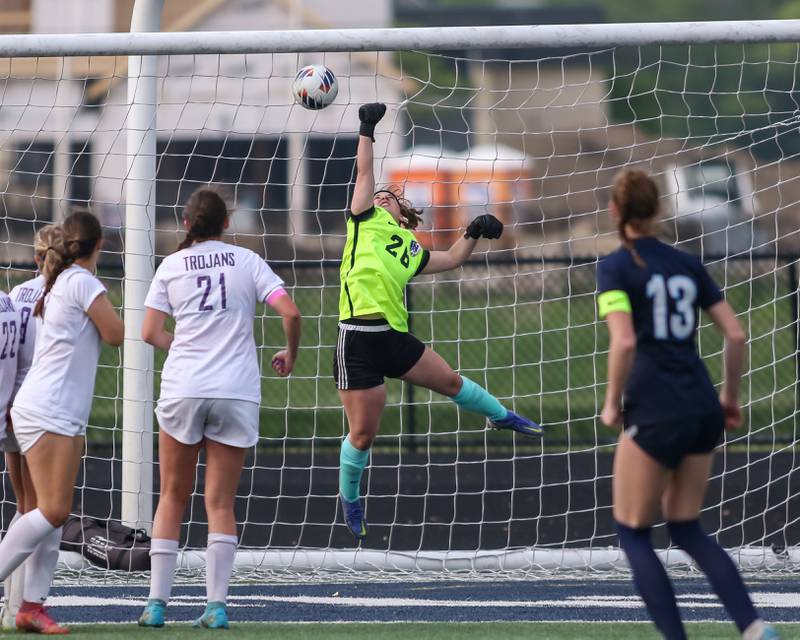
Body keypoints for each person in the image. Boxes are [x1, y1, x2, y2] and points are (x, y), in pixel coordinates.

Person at [336, 103, 542, 541]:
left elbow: (448, 259)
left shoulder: (408, 245)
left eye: (387, 195)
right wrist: (366, 129)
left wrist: (473, 231)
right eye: (376, 194)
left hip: (391, 337)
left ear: (400, 208)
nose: (379, 195)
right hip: (356, 338)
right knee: (363, 433)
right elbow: (364, 173)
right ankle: (350, 499)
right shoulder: (362, 222)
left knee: (450, 381)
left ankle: (502, 416)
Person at [597, 169, 780, 640]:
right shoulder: (687, 264)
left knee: (634, 532)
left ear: (615, 211)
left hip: (654, 407)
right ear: (658, 210)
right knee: (686, 527)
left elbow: (623, 342)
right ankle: (755, 628)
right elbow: (736, 334)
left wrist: (612, 404)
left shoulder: (616, 266)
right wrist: (730, 399)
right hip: (702, 407)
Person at [137, 188, 301, 629]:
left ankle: (156, 605)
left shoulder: (171, 265)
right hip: (235, 389)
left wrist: (182, 347)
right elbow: (291, 312)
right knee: (220, 502)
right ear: (226, 225)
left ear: (186, 223)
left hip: (184, 387)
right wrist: (290, 353)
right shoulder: (246, 260)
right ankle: (216, 606)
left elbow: (149, 331)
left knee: (172, 495)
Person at [1, 210, 123, 635]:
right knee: (50, 510)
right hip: (46, 408)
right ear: (99, 245)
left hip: (57, 410)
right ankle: (21, 602)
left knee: (49, 512)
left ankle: (30, 607)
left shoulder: (57, 282)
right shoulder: (81, 281)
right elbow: (115, 332)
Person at [1, 226, 58, 629]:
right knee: (42, 512)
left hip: (12, 409)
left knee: (25, 508)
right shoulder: (70, 294)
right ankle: (24, 604)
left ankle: (13, 606)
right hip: (41, 414)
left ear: (36, 257)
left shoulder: (15, 295)